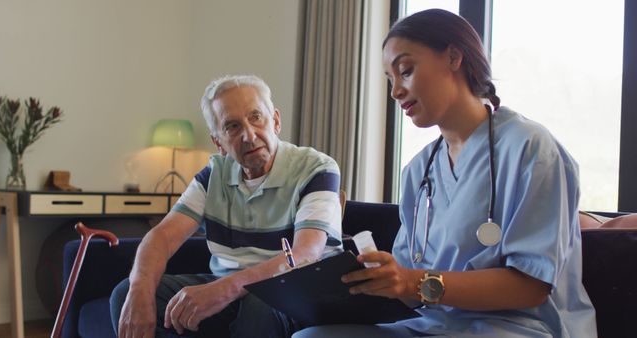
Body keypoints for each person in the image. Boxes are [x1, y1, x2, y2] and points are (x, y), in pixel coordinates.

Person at [293, 9, 596, 338]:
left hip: (519, 327)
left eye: (405, 71)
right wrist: (374, 283)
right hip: (434, 326)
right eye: (390, 80)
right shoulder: (418, 172)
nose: (395, 91)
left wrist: (412, 282)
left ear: (453, 57)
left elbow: (532, 286)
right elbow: (410, 287)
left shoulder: (531, 149)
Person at [110, 74, 343, 338]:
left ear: (276, 121)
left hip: (298, 291)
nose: (248, 135)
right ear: (218, 142)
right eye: (232, 126)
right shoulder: (214, 175)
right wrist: (139, 288)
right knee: (126, 295)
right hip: (234, 292)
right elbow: (162, 237)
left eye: (256, 117)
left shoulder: (316, 168)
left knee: (261, 303)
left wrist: (225, 289)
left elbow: (305, 254)